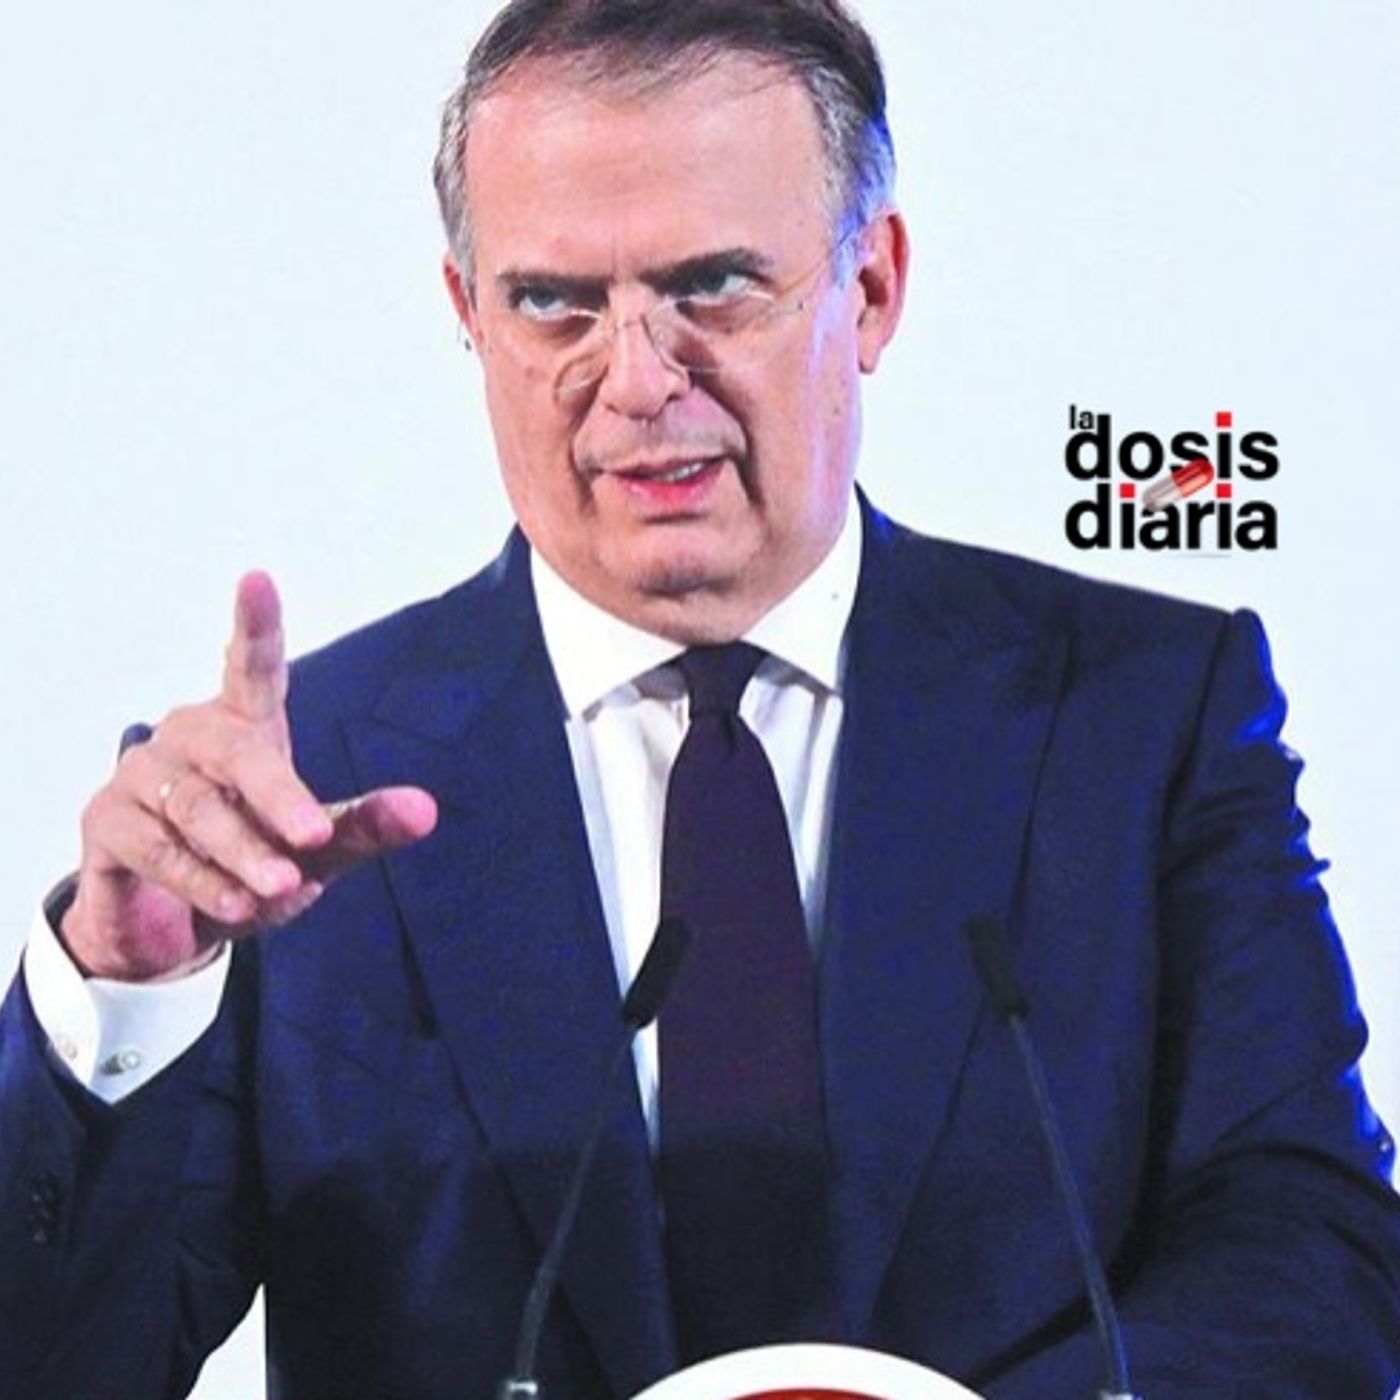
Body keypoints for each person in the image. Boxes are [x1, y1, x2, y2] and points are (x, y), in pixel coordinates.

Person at [2, 1, 1398, 1396]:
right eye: (553, 302)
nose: (636, 381)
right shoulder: (288, 799)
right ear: (467, 315)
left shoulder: (1142, 717)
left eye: (715, 286)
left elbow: (1315, 1254)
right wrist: (120, 997)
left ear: (871, 289)